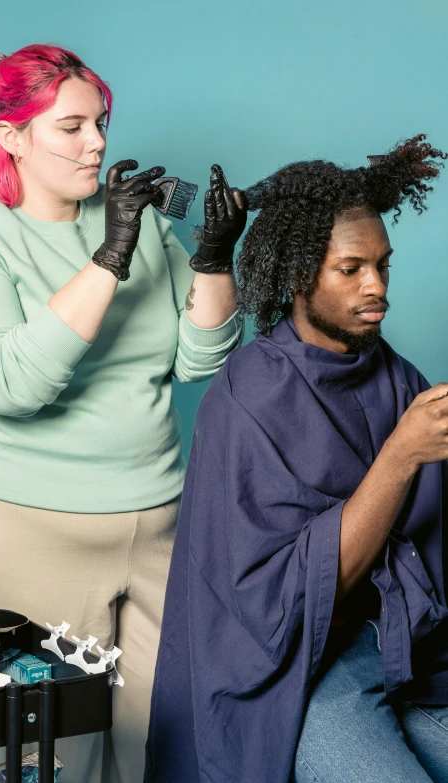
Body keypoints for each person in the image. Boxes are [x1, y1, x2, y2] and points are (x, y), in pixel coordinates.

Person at [0, 45, 246, 783]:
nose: (98, 142)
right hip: (24, 528)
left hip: (157, 523)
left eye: (100, 122)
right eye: (70, 127)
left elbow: (199, 363)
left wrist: (214, 263)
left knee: (164, 740)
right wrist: (107, 260)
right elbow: (7, 383)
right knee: (53, 760)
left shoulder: (134, 221)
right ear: (11, 137)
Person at [145, 135, 448, 783]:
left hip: (398, 644)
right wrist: (401, 453)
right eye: (351, 269)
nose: (377, 287)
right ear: (297, 273)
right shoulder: (250, 396)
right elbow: (290, 595)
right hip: (293, 669)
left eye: (384, 266)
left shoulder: (392, 374)